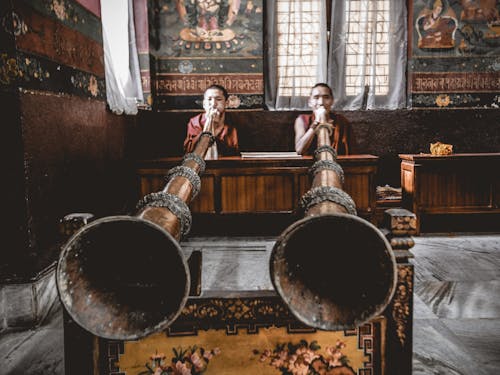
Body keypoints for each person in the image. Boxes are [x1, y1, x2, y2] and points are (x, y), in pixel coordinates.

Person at [294, 83, 355, 156]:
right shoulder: (302, 120)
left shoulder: (341, 121)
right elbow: (299, 150)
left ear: (332, 101)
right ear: (309, 102)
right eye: (316, 97)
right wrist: (316, 122)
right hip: (309, 165)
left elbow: (352, 151)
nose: (321, 102)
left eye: (326, 97)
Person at [183, 84, 239, 159]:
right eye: (209, 99)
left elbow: (235, 152)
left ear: (226, 103)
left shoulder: (234, 122)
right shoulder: (195, 122)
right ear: (204, 104)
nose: (213, 104)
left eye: (218, 99)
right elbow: (191, 151)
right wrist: (209, 125)